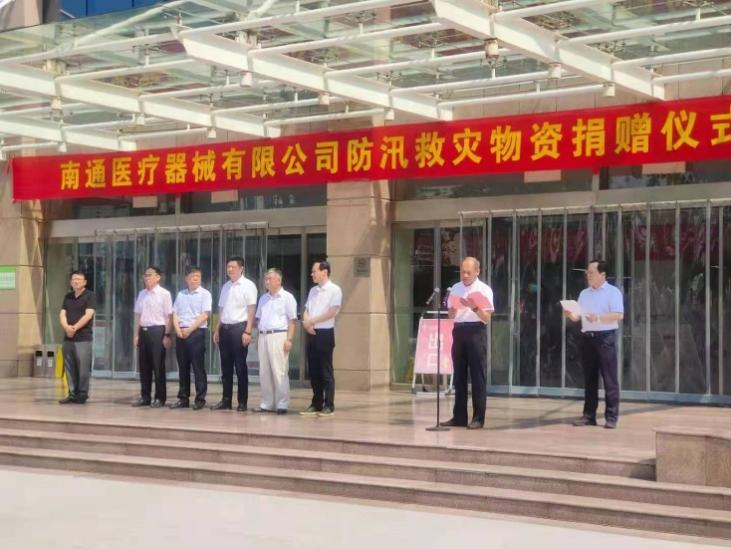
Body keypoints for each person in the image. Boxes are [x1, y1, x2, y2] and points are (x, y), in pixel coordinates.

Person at [564, 259, 624, 429]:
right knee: (589, 379)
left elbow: (619, 315)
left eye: (591, 273)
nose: (588, 275)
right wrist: (570, 314)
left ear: (602, 275)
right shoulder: (584, 293)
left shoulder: (613, 292)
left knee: (609, 379)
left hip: (605, 338)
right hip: (587, 338)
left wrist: (598, 318)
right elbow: (577, 316)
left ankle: (611, 417)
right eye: (587, 273)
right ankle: (589, 415)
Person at [441, 257, 494, 430]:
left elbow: (487, 318)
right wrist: (453, 309)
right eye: (462, 272)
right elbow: (451, 315)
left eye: (468, 272)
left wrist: (475, 307)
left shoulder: (484, 289)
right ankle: (459, 417)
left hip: (476, 331)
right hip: (459, 331)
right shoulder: (455, 288)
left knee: (477, 376)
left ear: (477, 271)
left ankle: (478, 418)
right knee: (459, 376)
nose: (464, 275)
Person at [213, 256, 257, 412]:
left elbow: (251, 310)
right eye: (228, 267)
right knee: (225, 367)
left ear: (241, 268)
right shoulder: (225, 286)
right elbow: (221, 310)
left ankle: (242, 401)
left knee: (240, 367)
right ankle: (226, 400)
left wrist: (248, 331)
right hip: (225, 329)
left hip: (239, 328)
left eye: (233, 266)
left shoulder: (248, 285)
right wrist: (217, 329)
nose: (229, 269)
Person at [301, 261, 342, 417]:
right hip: (311, 333)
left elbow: (332, 312)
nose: (312, 274)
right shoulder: (313, 290)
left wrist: (312, 321)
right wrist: (307, 323)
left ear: (324, 272)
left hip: (325, 333)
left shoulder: (335, 290)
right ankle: (316, 402)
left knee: (326, 370)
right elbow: (306, 310)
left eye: (314, 271)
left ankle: (329, 404)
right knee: (313, 370)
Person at [254, 268, 298, 414]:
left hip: (279, 335)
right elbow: (259, 320)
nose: (267, 282)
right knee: (264, 372)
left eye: (270, 279)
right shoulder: (263, 298)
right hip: (263, 336)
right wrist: (257, 339)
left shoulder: (287, 297)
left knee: (280, 371)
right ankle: (267, 403)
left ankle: (282, 403)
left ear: (279, 280)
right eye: (266, 279)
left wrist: (289, 339)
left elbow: (292, 321)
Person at [170, 267, 212, 410]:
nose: (195, 279)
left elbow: (204, 315)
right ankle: (183, 398)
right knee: (183, 367)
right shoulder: (181, 294)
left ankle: (200, 399)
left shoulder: (205, 294)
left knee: (198, 367)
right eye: (192, 276)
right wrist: (177, 329)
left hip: (196, 332)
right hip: (181, 333)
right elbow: (175, 313)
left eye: (198, 276)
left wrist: (189, 330)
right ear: (186, 279)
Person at [132, 266, 173, 408]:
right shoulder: (142, 294)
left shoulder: (164, 294)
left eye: (150, 275)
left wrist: (167, 335)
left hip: (158, 331)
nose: (146, 277)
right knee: (144, 367)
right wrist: (136, 335)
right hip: (143, 331)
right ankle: (145, 396)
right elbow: (137, 315)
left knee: (158, 366)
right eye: (145, 275)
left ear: (158, 277)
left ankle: (160, 398)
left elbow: (169, 316)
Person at [59, 271, 96, 404]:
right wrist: (66, 328)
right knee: (69, 367)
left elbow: (88, 315)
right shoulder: (68, 296)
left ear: (84, 282)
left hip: (83, 338)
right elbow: (62, 314)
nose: (76, 281)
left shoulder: (90, 296)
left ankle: (82, 394)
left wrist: (74, 328)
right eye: (74, 279)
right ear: (70, 282)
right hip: (68, 338)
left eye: (79, 279)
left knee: (83, 368)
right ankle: (72, 393)